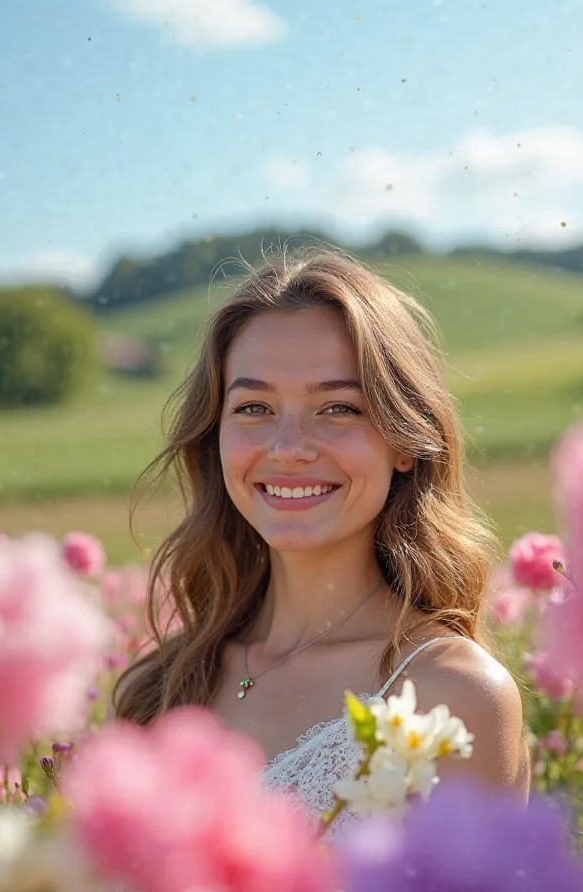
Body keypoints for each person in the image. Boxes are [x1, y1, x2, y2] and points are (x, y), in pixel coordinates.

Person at [112, 249, 530, 821]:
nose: (287, 448)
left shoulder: (452, 697)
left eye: (337, 407)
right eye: (254, 406)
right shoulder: (157, 687)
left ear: (405, 441)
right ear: (216, 437)